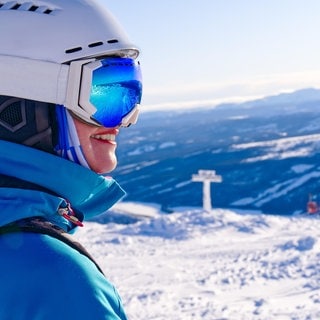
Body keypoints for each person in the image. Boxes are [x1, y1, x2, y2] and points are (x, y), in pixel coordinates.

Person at [0, 0, 142, 319]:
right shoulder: (51, 276)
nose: (123, 120)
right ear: (18, 109)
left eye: (131, 94)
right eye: (103, 93)